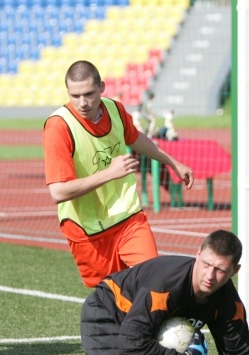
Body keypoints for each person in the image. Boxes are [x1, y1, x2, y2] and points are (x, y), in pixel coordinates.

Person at [16, 229, 249, 355]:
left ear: (235, 270)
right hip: (108, 314)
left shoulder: (228, 303)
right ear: (198, 253)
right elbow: (131, 343)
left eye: (220, 270)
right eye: (206, 264)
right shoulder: (166, 285)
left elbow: (237, 350)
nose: (210, 276)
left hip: (143, 333)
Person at [42, 60, 195, 288]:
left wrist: (172, 162)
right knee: (113, 300)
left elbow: (135, 138)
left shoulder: (115, 109)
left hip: (127, 216)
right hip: (87, 229)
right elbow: (58, 191)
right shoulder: (58, 127)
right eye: (75, 95)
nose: (82, 103)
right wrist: (109, 173)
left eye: (89, 94)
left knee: (155, 283)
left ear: (102, 87)